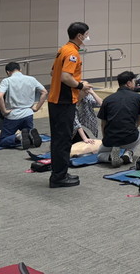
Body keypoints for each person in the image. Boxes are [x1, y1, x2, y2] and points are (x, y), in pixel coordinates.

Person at [48, 21, 92, 188]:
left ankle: (60, 173)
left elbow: (53, 72)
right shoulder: (72, 53)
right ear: (79, 36)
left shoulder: (63, 49)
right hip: (63, 101)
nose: (87, 37)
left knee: (59, 139)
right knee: (63, 140)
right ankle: (59, 177)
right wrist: (81, 86)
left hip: (56, 100)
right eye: (86, 34)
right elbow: (65, 77)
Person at [96, 71, 140, 168]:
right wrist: (133, 128)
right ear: (129, 83)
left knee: (100, 155)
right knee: (139, 133)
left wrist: (106, 138)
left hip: (111, 138)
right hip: (130, 138)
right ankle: (128, 154)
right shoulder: (139, 97)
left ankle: (110, 157)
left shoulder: (107, 99)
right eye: (134, 81)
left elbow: (103, 124)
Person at [0, 62, 47, 149]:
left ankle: (19, 136)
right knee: (28, 133)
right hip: (28, 114)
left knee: (3, 140)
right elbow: (44, 92)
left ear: (8, 72)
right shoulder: (31, 79)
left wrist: (4, 111)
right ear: (20, 70)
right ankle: (29, 135)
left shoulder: (6, 81)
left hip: (13, 115)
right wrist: (37, 108)